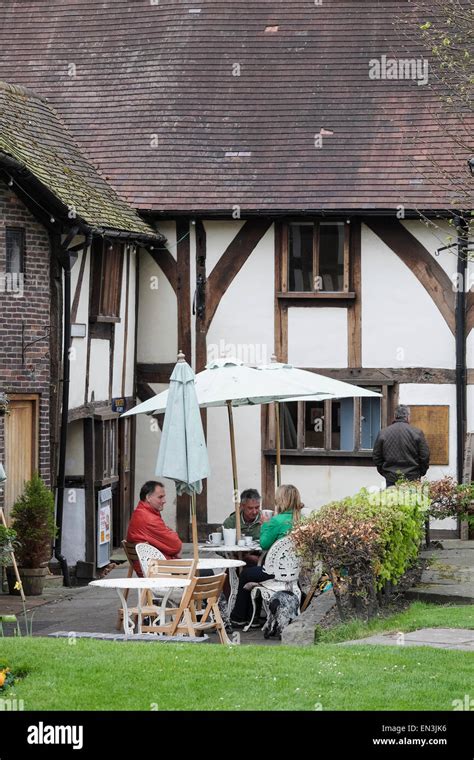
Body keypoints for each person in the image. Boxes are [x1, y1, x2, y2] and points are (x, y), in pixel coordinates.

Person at [230, 484, 303, 627]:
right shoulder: (300, 519)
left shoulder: (277, 521)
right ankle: (252, 616)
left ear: (281, 500)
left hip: (275, 572)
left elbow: (264, 544)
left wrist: (265, 525)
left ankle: (239, 617)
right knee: (253, 570)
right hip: (294, 572)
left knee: (246, 574)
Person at [126, 481, 182, 575]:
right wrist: (171, 532)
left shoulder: (140, 513)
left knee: (202, 572)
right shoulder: (149, 519)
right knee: (205, 573)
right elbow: (176, 545)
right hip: (158, 570)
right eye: (160, 497)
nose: (164, 501)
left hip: (151, 567)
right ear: (148, 497)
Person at [372, 405, 430, 488]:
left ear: (395, 416)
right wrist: (420, 472)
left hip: (391, 477)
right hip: (412, 476)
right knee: (412, 500)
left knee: (392, 500)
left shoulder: (383, 433)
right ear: (407, 417)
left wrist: (384, 472)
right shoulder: (417, 433)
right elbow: (425, 456)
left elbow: (377, 456)